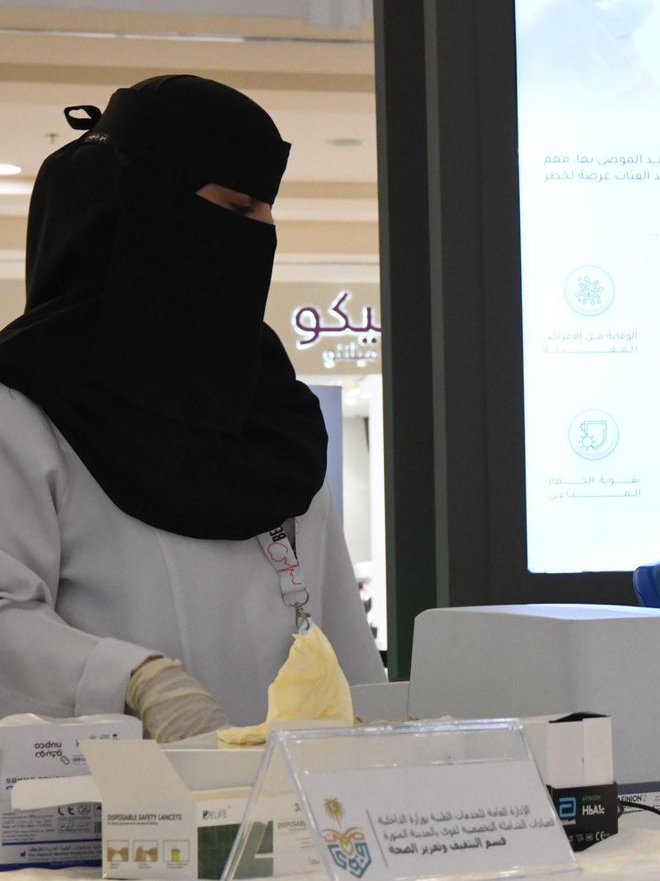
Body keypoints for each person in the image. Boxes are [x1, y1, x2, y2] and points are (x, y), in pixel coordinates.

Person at [0, 75, 384, 742]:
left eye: (268, 210)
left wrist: (380, 751)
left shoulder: (273, 419)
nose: (263, 232)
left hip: (294, 792)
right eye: (239, 208)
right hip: (103, 795)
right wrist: (131, 680)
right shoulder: (25, 411)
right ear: (150, 212)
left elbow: (339, 638)